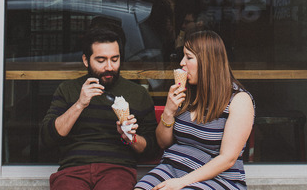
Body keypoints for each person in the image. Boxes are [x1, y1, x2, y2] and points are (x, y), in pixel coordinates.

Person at [41, 26, 159, 190]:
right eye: (101, 60)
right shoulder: (68, 90)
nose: (109, 67)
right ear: (85, 60)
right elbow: (48, 138)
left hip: (117, 169)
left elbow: (152, 148)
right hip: (73, 169)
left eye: (115, 59)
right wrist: (79, 104)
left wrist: (130, 137)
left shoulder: (137, 94)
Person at [136, 30, 255, 190]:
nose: (182, 63)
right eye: (183, 56)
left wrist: (181, 182)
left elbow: (228, 159)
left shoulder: (239, 100)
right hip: (173, 167)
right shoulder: (186, 92)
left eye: (189, 57)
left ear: (208, 62)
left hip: (219, 178)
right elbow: (163, 143)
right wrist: (169, 111)